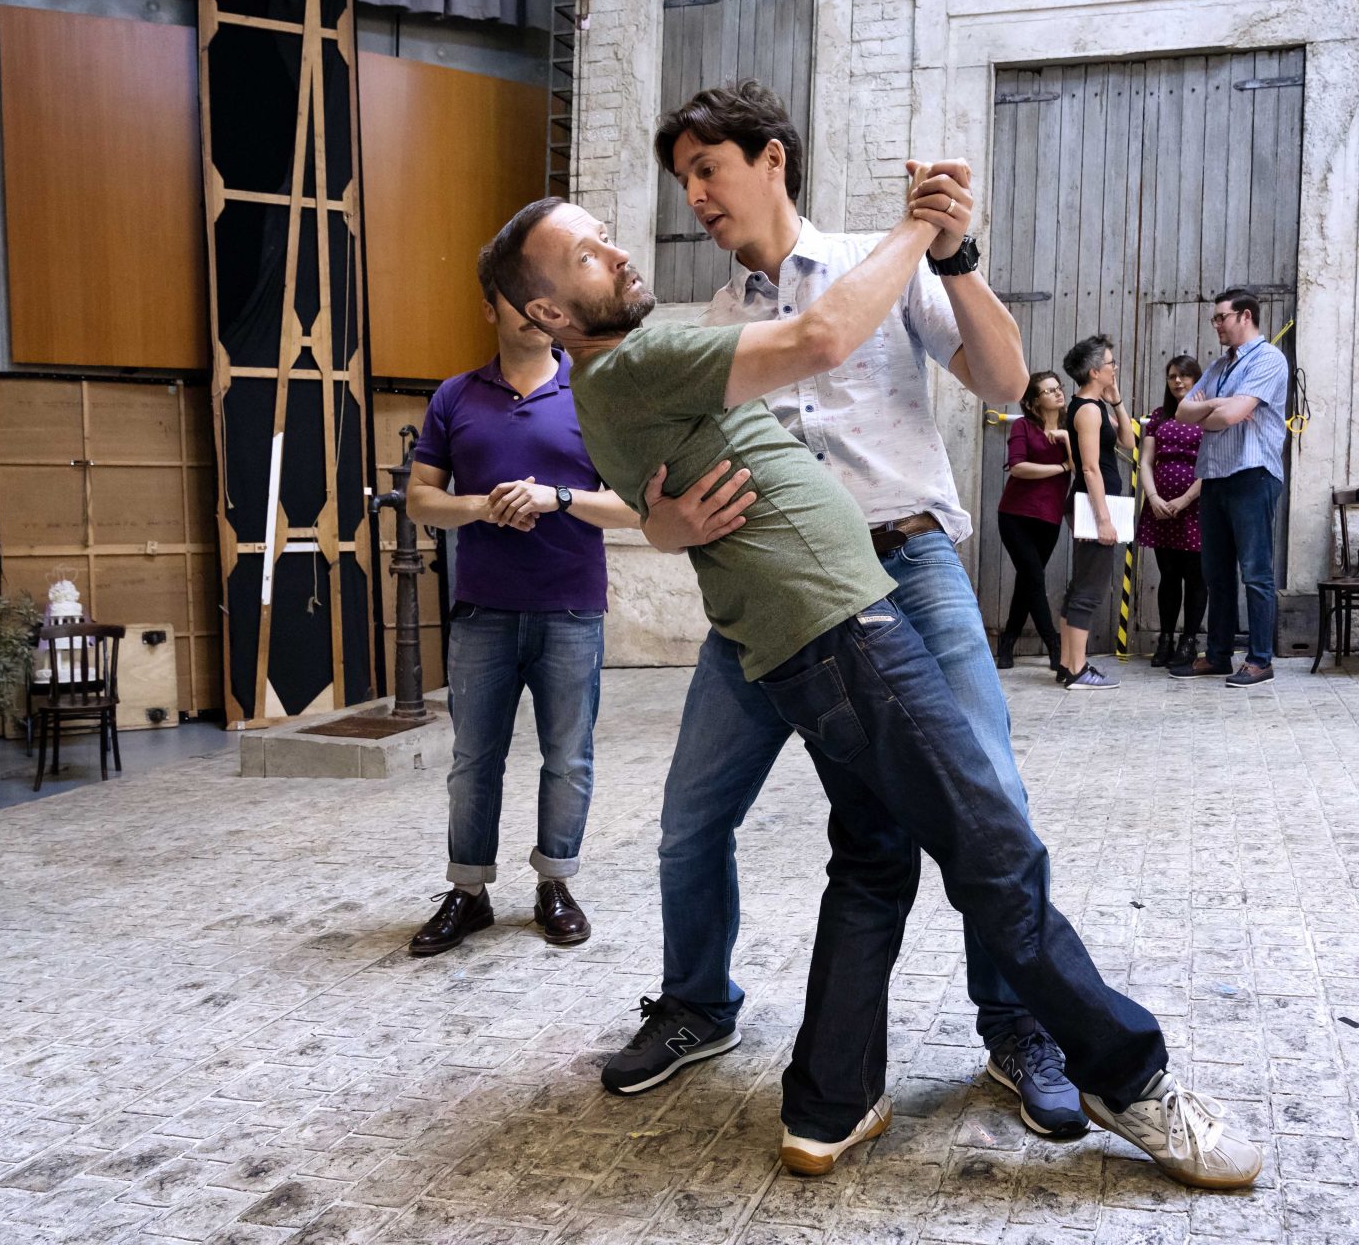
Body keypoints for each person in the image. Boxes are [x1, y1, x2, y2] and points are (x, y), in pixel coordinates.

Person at [486, 190, 1262, 1188]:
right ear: (548, 312)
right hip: (840, 630)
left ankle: (831, 1101)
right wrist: (920, 229)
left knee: (874, 855)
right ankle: (1130, 1076)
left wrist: (663, 521)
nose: (620, 252)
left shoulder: (614, 379)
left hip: (815, 631)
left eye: (605, 236)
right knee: (993, 846)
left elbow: (666, 497)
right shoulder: (643, 357)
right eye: (588, 257)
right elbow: (821, 337)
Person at [606, 82, 1090, 1143]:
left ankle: (1015, 1025)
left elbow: (1006, 381)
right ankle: (697, 1002)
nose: (695, 197)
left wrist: (954, 256)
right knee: (692, 814)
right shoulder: (719, 326)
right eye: (682, 181)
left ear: (771, 158)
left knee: (991, 792)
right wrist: (665, 526)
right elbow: (663, 495)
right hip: (773, 599)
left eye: (707, 170)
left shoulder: (884, 266)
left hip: (908, 564)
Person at [402, 252, 643, 957]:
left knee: (568, 757)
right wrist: (482, 506)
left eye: (548, 297)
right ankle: (469, 892)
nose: (537, 311)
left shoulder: (594, 392)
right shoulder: (455, 396)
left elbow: (633, 506)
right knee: (473, 760)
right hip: (482, 610)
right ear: (492, 309)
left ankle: (554, 884)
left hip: (571, 609)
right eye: (520, 298)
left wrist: (557, 496)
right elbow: (420, 500)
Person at [1170, 289, 1290, 688]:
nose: (1217, 325)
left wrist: (1215, 408)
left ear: (1245, 316)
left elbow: (1232, 415)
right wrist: (1217, 406)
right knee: (1216, 573)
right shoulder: (1219, 365)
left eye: (1222, 317)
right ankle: (1219, 655)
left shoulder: (1269, 359)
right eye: (1215, 318)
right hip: (1215, 476)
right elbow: (1182, 412)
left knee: (1255, 572)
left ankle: (1259, 660)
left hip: (1252, 473)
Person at [1056, 334, 1134, 691]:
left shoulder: (1096, 405)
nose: (1114, 368)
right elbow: (1089, 469)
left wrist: (1116, 399)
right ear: (1093, 371)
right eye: (1110, 363)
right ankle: (1077, 669)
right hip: (1092, 507)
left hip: (1096, 505)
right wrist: (1103, 520)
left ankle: (1066, 664)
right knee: (1089, 589)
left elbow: (1129, 442)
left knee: (1080, 586)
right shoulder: (1086, 410)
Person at [995, 371, 1071, 674]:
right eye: (1048, 391)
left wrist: (1067, 441)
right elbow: (1018, 467)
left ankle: (1007, 641)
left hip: (1049, 518)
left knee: (1027, 581)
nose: (1057, 393)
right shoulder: (1023, 426)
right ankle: (1054, 645)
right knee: (1034, 578)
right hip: (1015, 515)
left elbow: (1081, 464)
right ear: (1032, 402)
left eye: (1058, 388)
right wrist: (1061, 467)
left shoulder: (1070, 427)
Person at [1139, 355, 1206, 668]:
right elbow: (1146, 461)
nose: (1177, 381)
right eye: (1172, 376)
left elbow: (1212, 464)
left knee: (1195, 576)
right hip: (1160, 508)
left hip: (1195, 508)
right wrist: (1152, 497)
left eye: (1184, 375)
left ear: (1196, 379)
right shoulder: (1159, 415)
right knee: (1168, 575)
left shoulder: (1207, 414)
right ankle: (1165, 638)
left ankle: (1189, 641)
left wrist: (1185, 499)